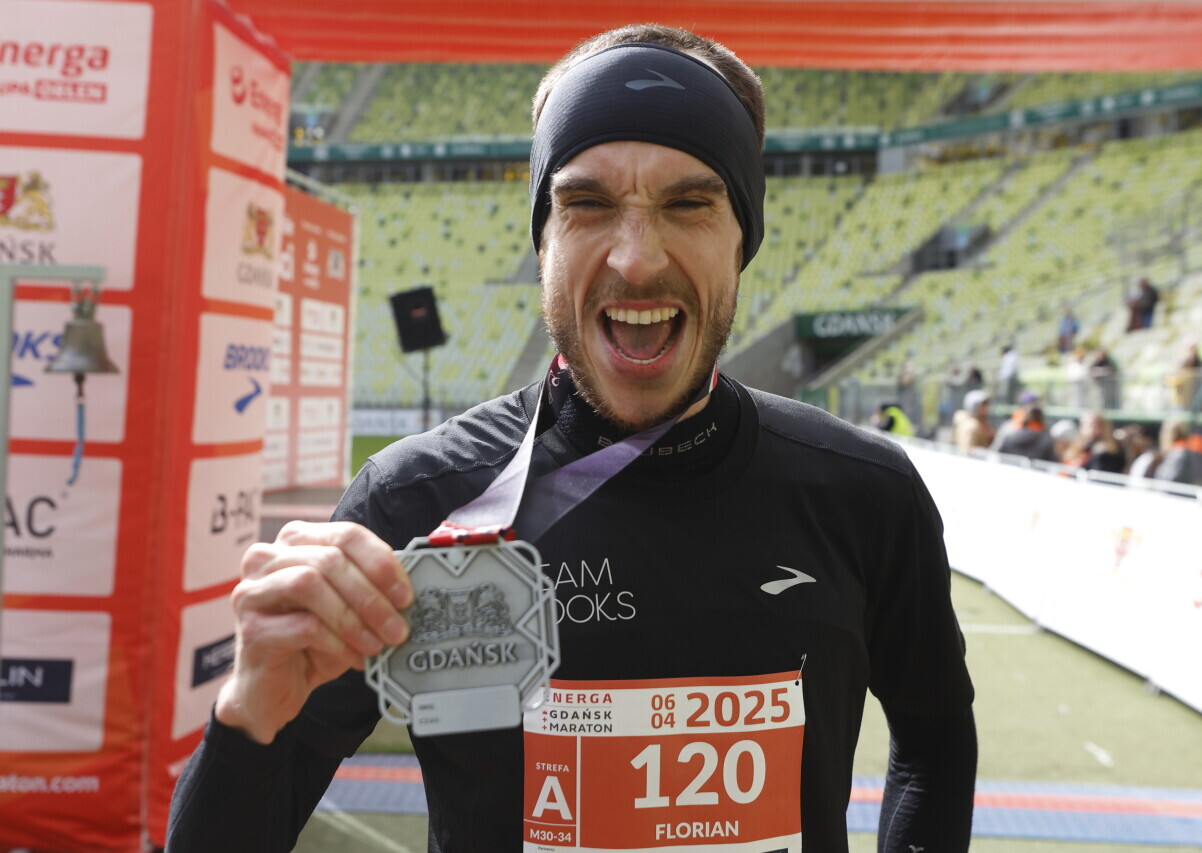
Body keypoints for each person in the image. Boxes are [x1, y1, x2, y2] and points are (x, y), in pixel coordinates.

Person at [167, 24, 976, 853]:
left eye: (689, 204)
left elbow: (936, 740)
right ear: (543, 239)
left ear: (745, 238)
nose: (636, 259)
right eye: (587, 204)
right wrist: (248, 714)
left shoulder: (864, 492)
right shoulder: (416, 503)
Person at [953, 388, 995, 453]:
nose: (986, 408)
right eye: (983, 405)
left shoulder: (981, 423)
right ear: (974, 406)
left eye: (986, 405)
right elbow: (968, 451)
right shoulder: (970, 426)